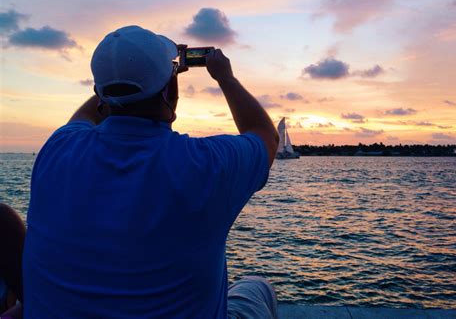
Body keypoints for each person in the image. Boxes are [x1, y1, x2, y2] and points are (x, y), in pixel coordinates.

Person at [19, 25, 279, 318]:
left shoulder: (58, 150)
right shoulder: (206, 165)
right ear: (170, 90)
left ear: (98, 93)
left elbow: (84, 117)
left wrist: (124, 81)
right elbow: (266, 136)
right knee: (257, 287)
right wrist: (225, 78)